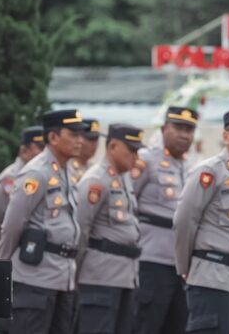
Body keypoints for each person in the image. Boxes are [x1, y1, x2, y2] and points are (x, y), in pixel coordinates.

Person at [0, 109, 86, 334]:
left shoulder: (67, 171)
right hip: (35, 280)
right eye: (73, 134)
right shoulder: (36, 173)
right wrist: (3, 268)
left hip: (62, 278)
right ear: (54, 137)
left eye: (80, 134)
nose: (80, 140)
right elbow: (12, 224)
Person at [174, 110, 229, 334]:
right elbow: (185, 220)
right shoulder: (210, 171)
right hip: (212, 276)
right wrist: (185, 267)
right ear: (226, 135)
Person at [132, 106, 198, 334]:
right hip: (151, 260)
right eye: (178, 128)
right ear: (163, 129)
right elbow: (128, 203)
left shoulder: (191, 168)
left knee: (177, 325)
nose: (184, 135)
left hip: (180, 266)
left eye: (189, 130)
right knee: (146, 324)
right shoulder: (146, 160)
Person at [75, 124, 144, 334]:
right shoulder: (96, 180)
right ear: (113, 146)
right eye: (131, 150)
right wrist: (75, 273)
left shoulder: (122, 178)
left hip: (125, 276)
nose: (136, 156)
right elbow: (80, 230)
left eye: (137, 151)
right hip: (100, 277)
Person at [0, 126, 43, 259]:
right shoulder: (11, 178)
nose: (44, 153)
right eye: (40, 148)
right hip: (5, 254)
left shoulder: (37, 175)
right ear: (24, 151)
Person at [71, 118, 100, 184]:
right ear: (79, 139)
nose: (94, 144)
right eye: (90, 139)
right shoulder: (69, 169)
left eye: (96, 139)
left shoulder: (94, 168)